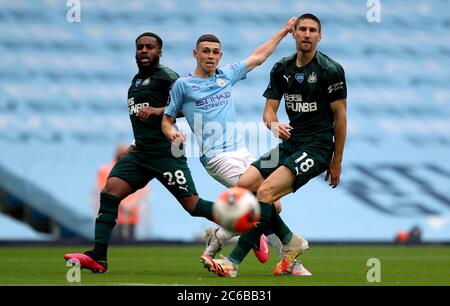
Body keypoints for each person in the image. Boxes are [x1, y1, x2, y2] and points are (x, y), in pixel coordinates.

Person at [162, 18, 310, 277]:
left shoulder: (226, 75)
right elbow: (167, 119)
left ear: (220, 56)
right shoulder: (183, 86)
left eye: (215, 52)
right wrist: (172, 133)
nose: (210, 56)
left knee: (272, 206)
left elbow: (258, 57)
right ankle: (223, 236)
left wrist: (284, 32)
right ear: (195, 54)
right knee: (257, 203)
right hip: (217, 158)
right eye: (205, 51)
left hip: (241, 152)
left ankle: (287, 254)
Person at [203, 13, 347, 277]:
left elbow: (340, 116)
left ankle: (233, 262)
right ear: (294, 34)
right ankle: (290, 241)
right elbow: (269, 112)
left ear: (319, 36)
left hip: (317, 147)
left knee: (265, 193)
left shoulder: (330, 70)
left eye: (312, 30)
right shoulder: (282, 68)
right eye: (302, 29)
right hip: (291, 143)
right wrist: (274, 125)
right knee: (245, 185)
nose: (306, 34)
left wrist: (336, 160)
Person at [64, 32, 219, 273]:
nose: (144, 50)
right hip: (141, 153)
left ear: (160, 52)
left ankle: (244, 223)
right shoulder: (135, 82)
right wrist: (135, 144)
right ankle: (98, 257)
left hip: (167, 152)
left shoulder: (167, 77)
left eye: (150, 47)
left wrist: (158, 111)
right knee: (110, 192)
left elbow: (190, 106)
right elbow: (142, 120)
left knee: (192, 206)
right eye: (140, 47)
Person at [93, 144, 149, 242]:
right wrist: (124, 205)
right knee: (114, 242)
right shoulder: (107, 169)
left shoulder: (137, 168)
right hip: (114, 213)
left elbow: (143, 191)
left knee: (128, 243)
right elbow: (103, 189)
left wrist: (131, 205)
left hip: (130, 215)